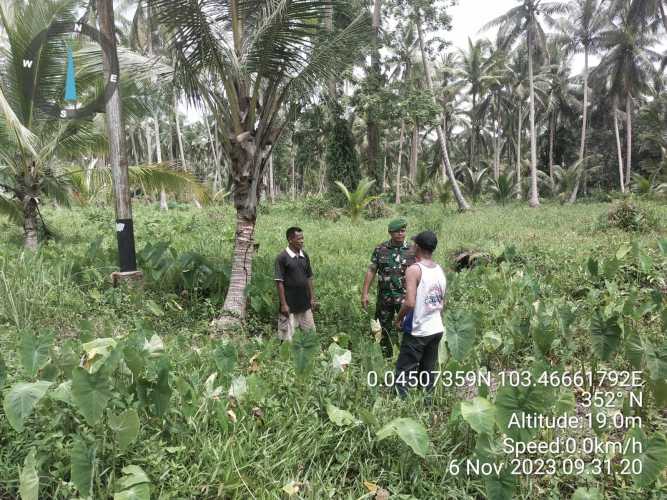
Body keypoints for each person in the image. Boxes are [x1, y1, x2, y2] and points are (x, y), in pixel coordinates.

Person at [394, 231, 446, 398]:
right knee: (427, 372)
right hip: (436, 328)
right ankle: (428, 403)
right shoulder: (439, 270)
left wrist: (399, 318)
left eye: (414, 243)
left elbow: (409, 302)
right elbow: (440, 301)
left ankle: (402, 404)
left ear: (418, 246)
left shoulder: (414, 270)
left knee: (404, 371)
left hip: (419, 329)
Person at [362, 218, 415, 357]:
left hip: (405, 298)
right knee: (382, 328)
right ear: (390, 233)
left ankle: (407, 355)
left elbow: (420, 273)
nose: (400, 234)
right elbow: (372, 270)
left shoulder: (412, 250)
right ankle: (384, 356)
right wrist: (365, 293)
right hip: (385, 297)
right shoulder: (381, 249)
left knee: (408, 327)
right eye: (397, 231)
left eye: (403, 231)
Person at [274, 227, 318, 341]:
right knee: (287, 341)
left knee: (311, 337)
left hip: (305, 304)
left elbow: (309, 278)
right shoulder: (282, 258)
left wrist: (312, 298)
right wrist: (284, 304)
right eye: (299, 238)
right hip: (290, 306)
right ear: (290, 239)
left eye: (302, 238)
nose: (302, 241)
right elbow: (279, 282)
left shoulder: (304, 256)